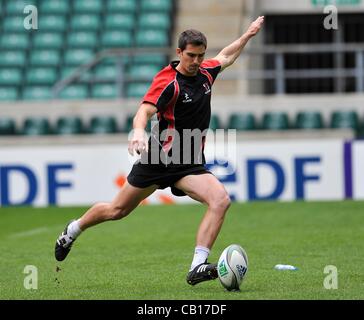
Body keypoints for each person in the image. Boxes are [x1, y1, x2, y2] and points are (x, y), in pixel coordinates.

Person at [55, 16, 265, 286]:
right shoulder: (168, 81)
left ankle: (197, 266)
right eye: (191, 55)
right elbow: (144, 110)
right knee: (117, 210)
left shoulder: (205, 73)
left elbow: (225, 56)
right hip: (158, 159)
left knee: (221, 200)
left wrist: (247, 35)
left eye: (201, 55)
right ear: (179, 53)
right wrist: (140, 132)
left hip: (188, 162)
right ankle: (72, 230)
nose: (197, 61)